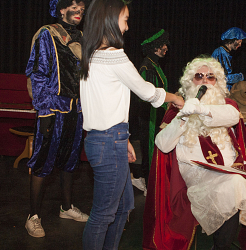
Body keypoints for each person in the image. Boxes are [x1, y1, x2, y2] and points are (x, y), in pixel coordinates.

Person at [144, 56, 246, 250]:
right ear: (191, 81)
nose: (205, 81)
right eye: (199, 76)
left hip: (233, 173)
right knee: (233, 185)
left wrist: (201, 108)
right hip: (200, 182)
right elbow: (162, 145)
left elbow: (231, 116)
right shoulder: (177, 111)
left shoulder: (226, 106)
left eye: (211, 77)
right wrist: (183, 116)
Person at [79, 0, 184, 249]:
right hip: (108, 141)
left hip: (105, 139)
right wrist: (175, 98)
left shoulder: (91, 53)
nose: (126, 27)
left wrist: (123, 138)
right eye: (125, 20)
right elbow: (147, 92)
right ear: (111, 19)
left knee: (125, 207)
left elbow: (103, 103)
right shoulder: (114, 55)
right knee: (103, 214)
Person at [24, 0, 89, 238]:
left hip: (76, 110)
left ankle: (67, 207)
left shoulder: (83, 37)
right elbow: (38, 74)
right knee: (42, 162)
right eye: (74, 8)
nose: (79, 13)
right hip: (53, 110)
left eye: (82, 10)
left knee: (70, 161)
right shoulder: (47, 34)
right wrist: (44, 111)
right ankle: (33, 216)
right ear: (61, 9)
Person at [130, 29, 170, 195]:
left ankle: (145, 180)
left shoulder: (155, 65)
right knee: (148, 151)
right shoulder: (147, 67)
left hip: (156, 116)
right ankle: (148, 184)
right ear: (155, 48)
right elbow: (147, 97)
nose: (166, 48)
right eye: (163, 45)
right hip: (149, 117)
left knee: (154, 150)